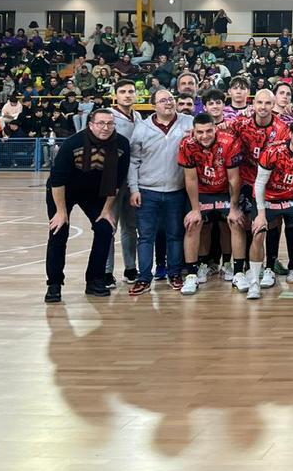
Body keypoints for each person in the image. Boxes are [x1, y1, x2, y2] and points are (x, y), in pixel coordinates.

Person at [44, 108, 130, 303]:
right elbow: (57, 180)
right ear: (91, 125)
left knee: (105, 229)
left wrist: (107, 210)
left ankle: (95, 280)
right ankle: (54, 284)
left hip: (96, 192)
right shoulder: (72, 144)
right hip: (64, 191)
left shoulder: (122, 144)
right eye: (101, 123)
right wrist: (61, 212)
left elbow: (117, 181)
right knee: (58, 232)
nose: (105, 127)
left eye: (110, 123)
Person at [127, 90, 194, 295]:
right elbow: (133, 161)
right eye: (163, 100)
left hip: (177, 190)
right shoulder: (142, 128)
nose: (168, 103)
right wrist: (134, 189)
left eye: (171, 99)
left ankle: (174, 273)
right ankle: (144, 277)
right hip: (147, 191)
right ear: (153, 105)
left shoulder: (188, 122)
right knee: (146, 237)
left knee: (175, 235)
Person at [248, 119, 293, 299]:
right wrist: (261, 214)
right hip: (267, 200)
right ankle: (254, 283)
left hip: (291, 199)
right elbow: (259, 183)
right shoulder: (272, 151)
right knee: (258, 233)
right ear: (290, 134)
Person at [227, 89, 288, 291]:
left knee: (272, 223)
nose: (263, 107)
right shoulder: (241, 123)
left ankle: (269, 267)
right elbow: (220, 131)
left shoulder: (282, 128)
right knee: (242, 223)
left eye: (267, 103)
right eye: (259, 103)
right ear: (253, 104)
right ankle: (242, 269)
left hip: (270, 183)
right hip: (246, 180)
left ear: (273, 105)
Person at [176, 113, 242, 294]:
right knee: (195, 224)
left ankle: (230, 267)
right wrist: (195, 209)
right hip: (202, 191)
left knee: (232, 223)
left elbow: (234, 178)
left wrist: (234, 207)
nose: (205, 136)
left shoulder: (229, 141)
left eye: (209, 131)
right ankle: (194, 272)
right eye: (200, 132)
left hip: (224, 190)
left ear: (215, 128)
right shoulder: (186, 144)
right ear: (194, 131)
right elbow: (190, 179)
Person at [108, 79, 144, 285]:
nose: (128, 95)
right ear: (116, 95)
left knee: (130, 227)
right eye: (123, 91)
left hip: (132, 179)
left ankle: (131, 268)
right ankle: (106, 271)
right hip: (111, 178)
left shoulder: (138, 116)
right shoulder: (108, 116)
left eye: (131, 91)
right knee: (108, 226)